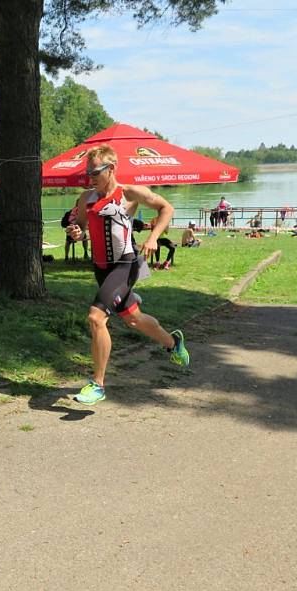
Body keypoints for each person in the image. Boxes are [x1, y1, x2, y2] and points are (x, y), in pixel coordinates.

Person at [66, 145, 189, 405]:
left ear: (111, 169)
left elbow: (166, 208)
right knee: (133, 319)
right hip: (101, 268)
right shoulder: (85, 198)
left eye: (95, 172)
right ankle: (173, 343)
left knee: (96, 317)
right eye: (87, 172)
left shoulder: (129, 194)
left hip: (125, 265)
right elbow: (82, 229)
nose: (90, 177)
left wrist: (154, 238)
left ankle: (97, 384)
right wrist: (77, 233)